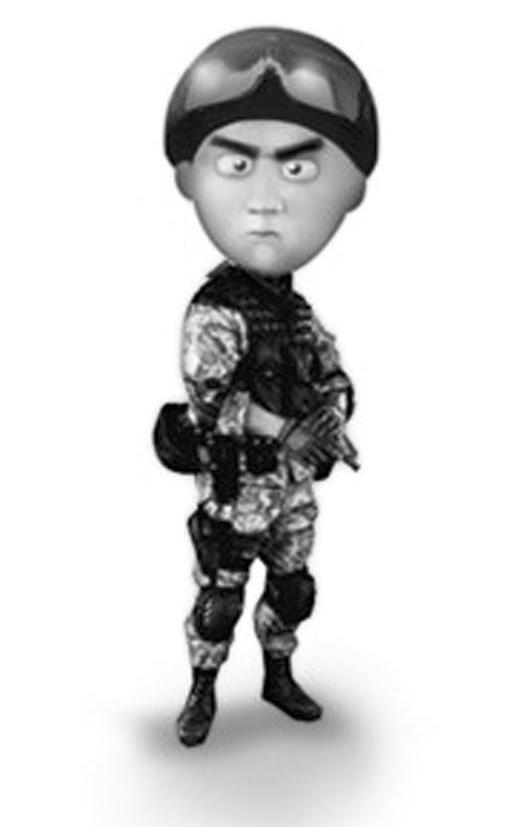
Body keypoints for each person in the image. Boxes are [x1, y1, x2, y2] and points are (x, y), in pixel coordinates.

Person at [154, 27, 378, 747]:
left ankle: (278, 675)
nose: (266, 202)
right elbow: (211, 399)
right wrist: (288, 431)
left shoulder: (295, 308)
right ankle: (201, 691)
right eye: (238, 164)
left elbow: (332, 369)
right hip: (239, 481)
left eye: (297, 169)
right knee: (220, 596)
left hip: (294, 482)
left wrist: (332, 413)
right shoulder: (217, 308)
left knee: (293, 587)